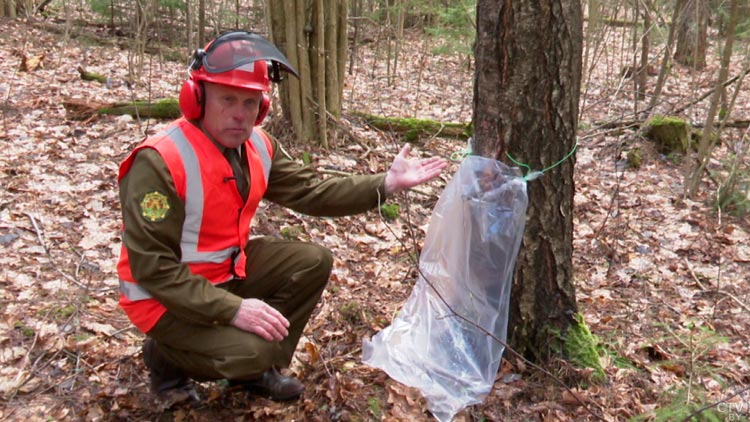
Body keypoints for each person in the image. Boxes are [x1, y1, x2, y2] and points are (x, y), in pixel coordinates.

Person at [116, 30, 447, 405]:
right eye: (227, 99)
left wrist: (386, 183)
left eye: (250, 102)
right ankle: (165, 360)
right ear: (198, 97)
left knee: (310, 262)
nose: (240, 114)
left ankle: (256, 370)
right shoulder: (159, 160)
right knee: (250, 351)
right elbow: (153, 269)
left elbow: (313, 191)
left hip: (225, 275)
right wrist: (235, 310)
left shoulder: (257, 144)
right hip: (163, 299)